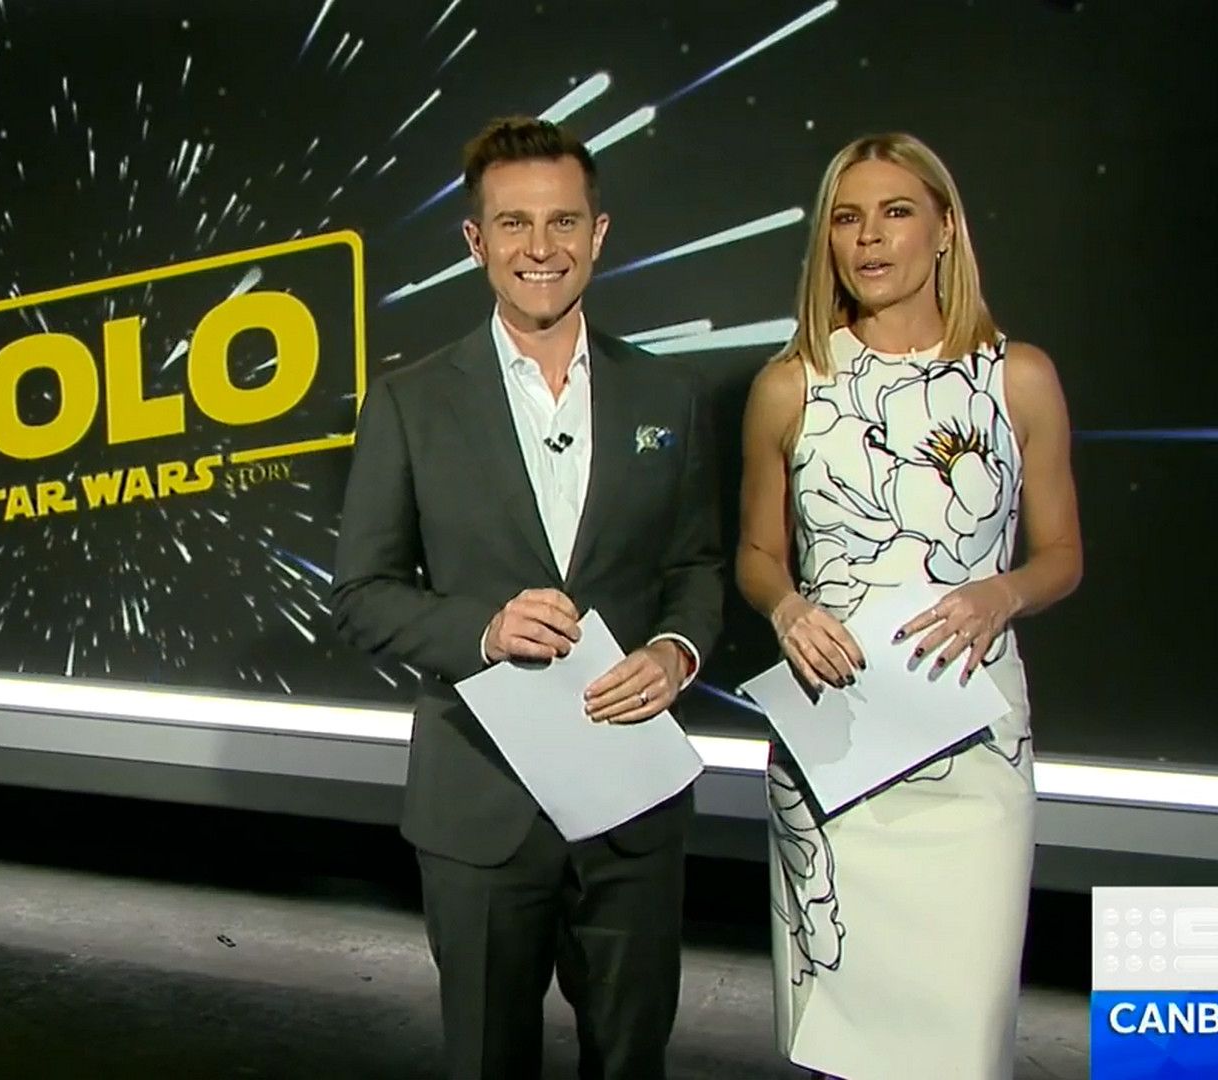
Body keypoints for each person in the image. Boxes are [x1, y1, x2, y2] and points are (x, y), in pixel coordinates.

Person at [330, 116, 725, 1080]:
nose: (539, 248)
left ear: (599, 233)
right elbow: (363, 596)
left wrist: (676, 652)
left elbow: (697, 568)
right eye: (514, 224)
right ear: (477, 241)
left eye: (562, 222)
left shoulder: (667, 397)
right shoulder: (410, 403)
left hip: (629, 801)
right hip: (481, 808)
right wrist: (484, 629)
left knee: (630, 1063)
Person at [735, 133, 1084, 1079]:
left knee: (959, 1041)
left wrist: (1003, 591)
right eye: (847, 218)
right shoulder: (788, 386)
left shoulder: (1018, 377)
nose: (870, 238)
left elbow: (1062, 556)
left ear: (945, 229)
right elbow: (758, 556)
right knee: (841, 1044)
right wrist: (787, 610)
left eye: (895, 212)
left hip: (973, 748)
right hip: (838, 743)